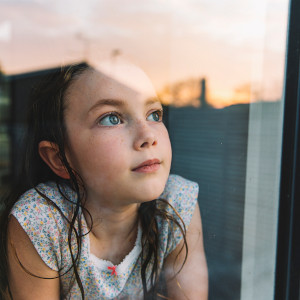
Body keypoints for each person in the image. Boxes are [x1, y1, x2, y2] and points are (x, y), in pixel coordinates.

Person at [0, 60, 208, 299]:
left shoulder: (177, 202)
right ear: (59, 158)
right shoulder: (41, 221)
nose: (148, 135)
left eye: (154, 114)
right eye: (111, 118)